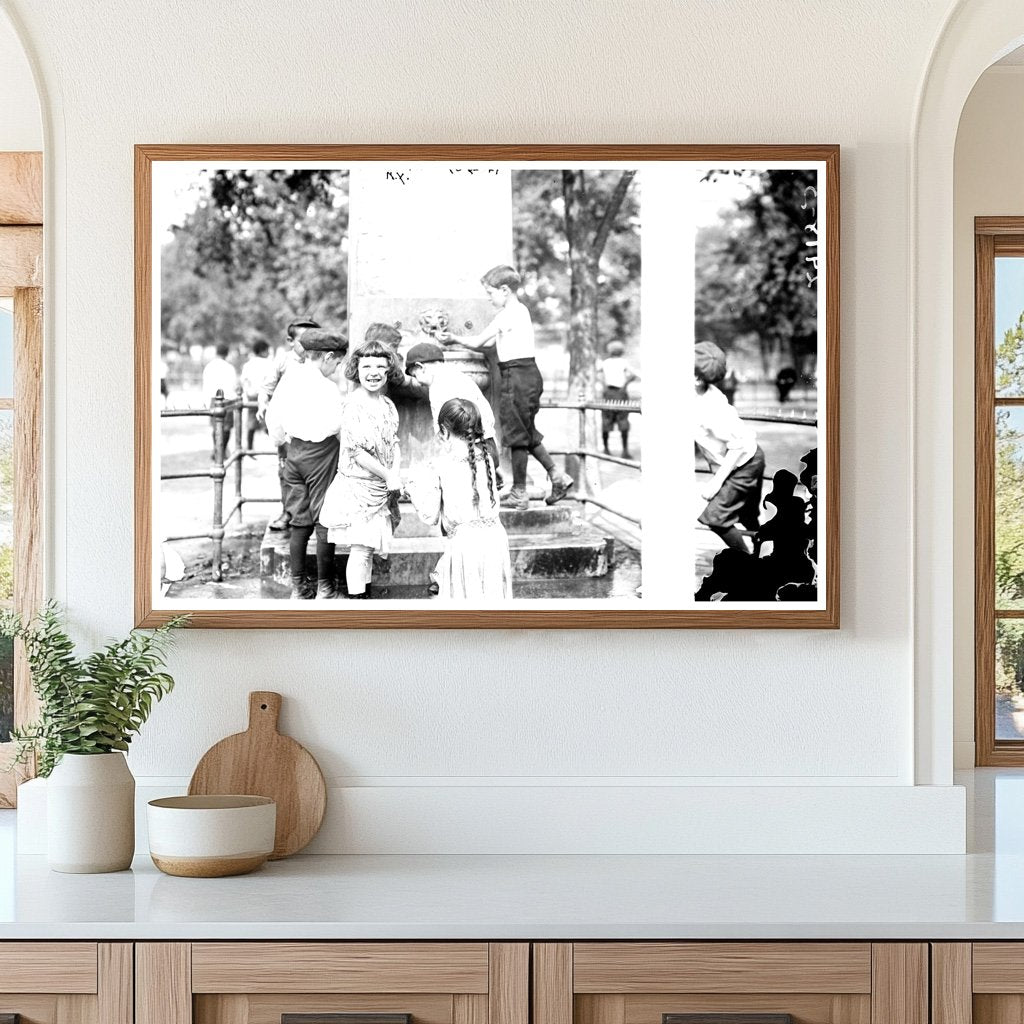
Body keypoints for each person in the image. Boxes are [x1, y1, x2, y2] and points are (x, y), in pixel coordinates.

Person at [440, 264, 574, 511]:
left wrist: (454, 339)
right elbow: (486, 344)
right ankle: (557, 476)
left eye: (490, 293)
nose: (489, 299)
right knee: (526, 431)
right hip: (526, 374)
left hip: (517, 376)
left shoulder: (508, 314)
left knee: (517, 436)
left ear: (504, 290)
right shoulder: (519, 313)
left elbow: (480, 341)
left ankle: (519, 493)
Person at [265, 330, 348, 600]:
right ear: (327, 357)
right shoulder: (327, 388)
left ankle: (299, 588)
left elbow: (273, 420)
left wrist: (283, 441)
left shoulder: (289, 379)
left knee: (299, 522)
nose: (336, 369)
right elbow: (337, 426)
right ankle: (326, 587)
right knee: (325, 520)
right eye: (336, 363)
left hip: (294, 452)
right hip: (321, 453)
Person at [319, 339, 404, 599]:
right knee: (360, 549)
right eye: (367, 366)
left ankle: (364, 595)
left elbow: (394, 442)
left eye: (380, 366)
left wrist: (395, 472)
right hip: (358, 487)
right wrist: (388, 475)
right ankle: (358, 604)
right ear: (357, 369)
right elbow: (356, 452)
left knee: (368, 548)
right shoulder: (354, 405)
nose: (374, 373)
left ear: (389, 370)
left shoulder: (388, 405)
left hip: (380, 488)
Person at [407, 398, 513, 601]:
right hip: (496, 539)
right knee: (492, 601)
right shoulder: (487, 459)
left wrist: (412, 490)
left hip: (467, 545)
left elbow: (429, 514)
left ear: (444, 431)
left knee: (466, 606)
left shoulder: (439, 465)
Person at [694, 340, 765, 555]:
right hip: (743, 461)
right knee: (747, 515)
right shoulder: (695, 394)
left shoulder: (712, 408)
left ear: (696, 378)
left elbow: (737, 446)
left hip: (744, 463)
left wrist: (716, 484)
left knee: (717, 519)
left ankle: (750, 569)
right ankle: (766, 555)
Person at [405, 341, 503, 488]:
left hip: (467, 453)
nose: (418, 382)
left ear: (421, 367)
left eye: (415, 375)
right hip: (485, 447)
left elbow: (446, 433)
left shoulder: (439, 387)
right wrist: (493, 461)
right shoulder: (460, 378)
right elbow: (486, 418)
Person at [258, 317, 320, 532]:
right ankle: (289, 512)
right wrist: (262, 406)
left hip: (314, 425)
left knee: (314, 469)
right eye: (303, 340)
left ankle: (312, 514)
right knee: (287, 471)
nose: (308, 345)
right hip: (287, 428)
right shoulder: (283, 361)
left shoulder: (320, 361)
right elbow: (266, 388)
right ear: (290, 341)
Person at [597, 340, 640, 458]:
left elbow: (597, 374)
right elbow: (634, 374)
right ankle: (624, 450)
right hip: (620, 392)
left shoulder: (606, 362)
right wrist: (625, 384)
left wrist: (604, 384)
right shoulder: (623, 362)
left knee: (607, 419)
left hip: (609, 392)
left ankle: (606, 449)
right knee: (622, 419)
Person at [201, 343, 238, 461]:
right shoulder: (229, 367)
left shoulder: (209, 366)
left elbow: (205, 385)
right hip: (227, 399)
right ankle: (222, 450)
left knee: (215, 427)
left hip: (214, 398)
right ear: (227, 353)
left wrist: (206, 401)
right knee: (226, 428)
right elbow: (234, 385)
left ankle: (217, 449)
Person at [240, 340, 272, 454]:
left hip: (252, 395)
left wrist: (247, 391)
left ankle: (249, 447)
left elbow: (244, 380)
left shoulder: (249, 364)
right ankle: (279, 445)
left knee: (251, 422)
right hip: (265, 395)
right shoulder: (269, 364)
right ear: (263, 351)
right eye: (268, 350)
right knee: (269, 421)